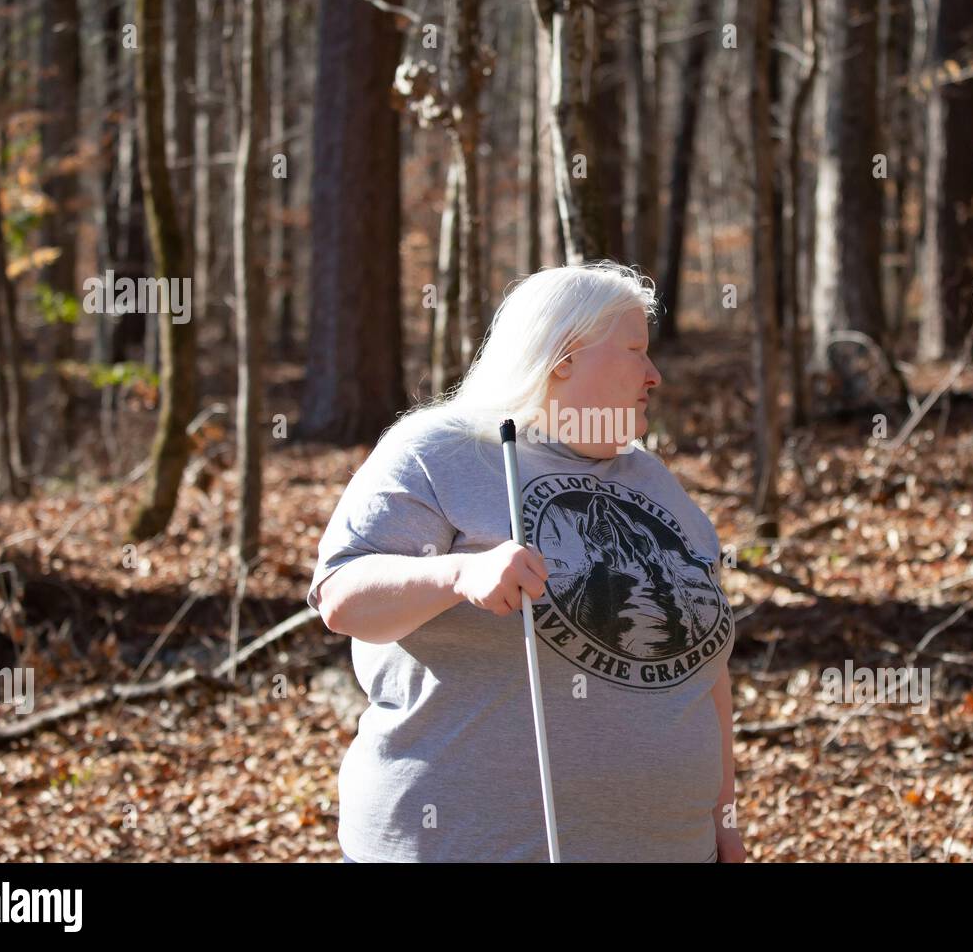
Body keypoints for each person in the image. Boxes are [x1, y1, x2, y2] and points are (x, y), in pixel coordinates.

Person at [308, 261, 742, 862]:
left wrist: (724, 822)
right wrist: (457, 575)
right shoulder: (442, 449)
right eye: (637, 351)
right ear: (564, 356)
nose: (654, 375)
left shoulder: (656, 481)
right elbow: (342, 598)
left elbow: (703, 668)